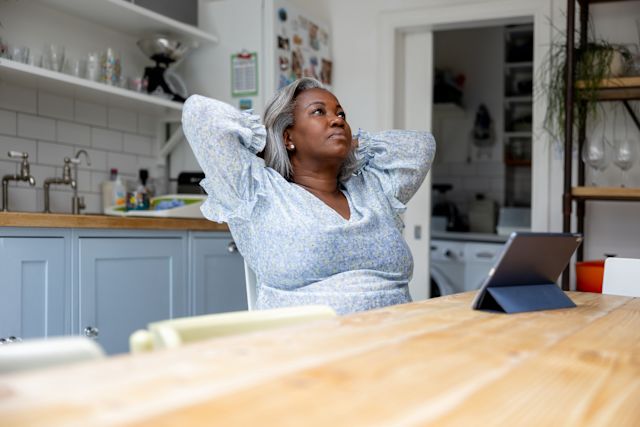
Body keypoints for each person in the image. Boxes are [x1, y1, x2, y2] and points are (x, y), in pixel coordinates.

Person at [182, 78, 436, 315]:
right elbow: (199, 113)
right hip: (307, 349)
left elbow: (422, 145)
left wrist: (350, 144)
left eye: (340, 114)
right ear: (288, 136)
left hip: (396, 342)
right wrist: (270, 139)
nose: (337, 120)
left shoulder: (373, 189)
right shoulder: (257, 190)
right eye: (318, 112)